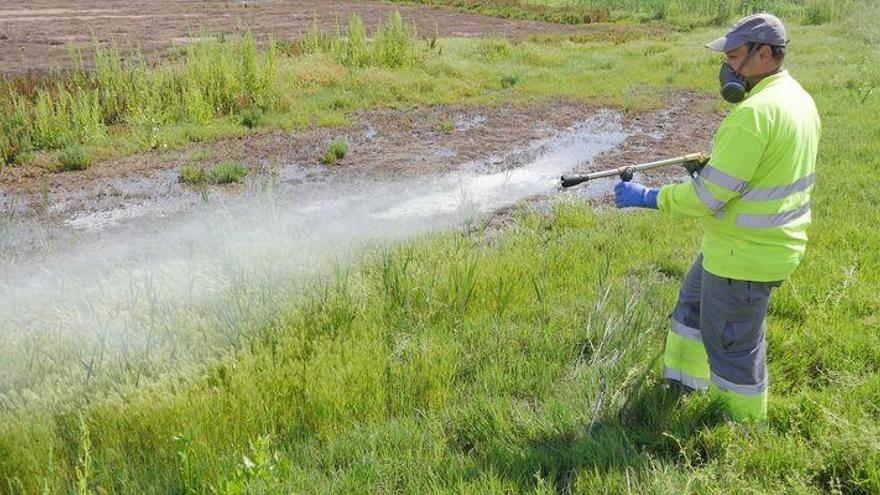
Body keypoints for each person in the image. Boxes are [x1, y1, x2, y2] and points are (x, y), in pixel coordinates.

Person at [613, 13, 821, 422]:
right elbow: (760, 173)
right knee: (691, 308)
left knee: (734, 348)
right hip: (739, 249)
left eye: (732, 56)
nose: (726, 67)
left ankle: (738, 430)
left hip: (745, 257)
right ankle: (683, 382)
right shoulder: (797, 98)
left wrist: (649, 197)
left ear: (764, 54)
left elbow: (706, 198)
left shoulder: (754, 114)